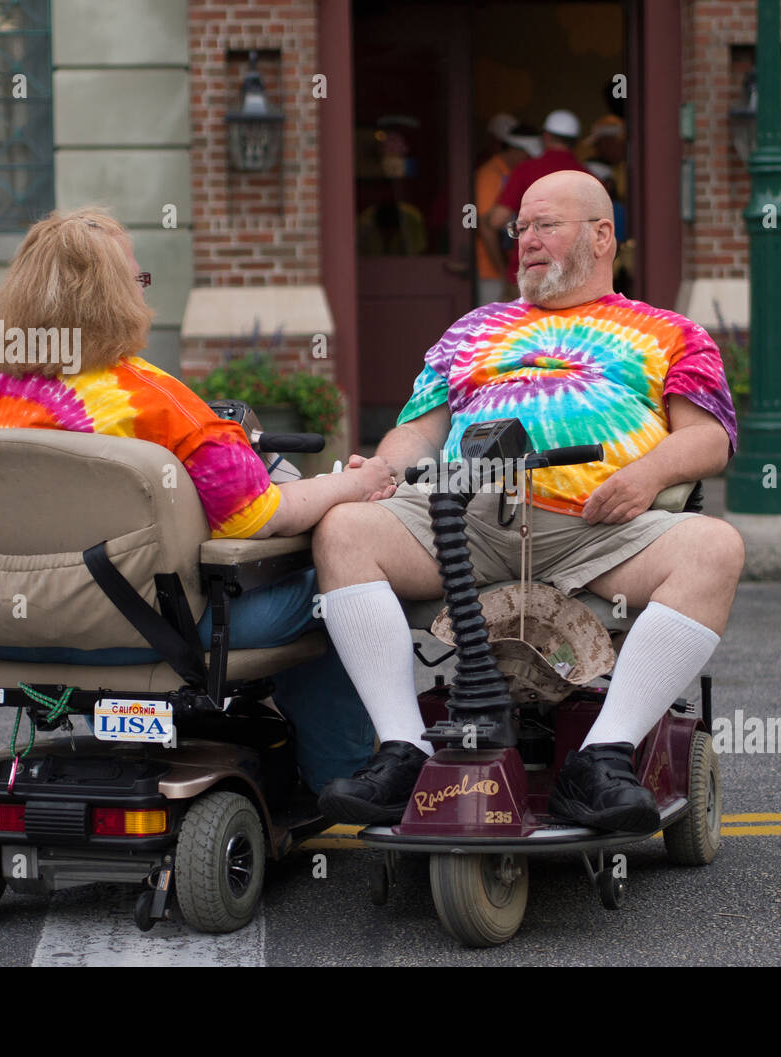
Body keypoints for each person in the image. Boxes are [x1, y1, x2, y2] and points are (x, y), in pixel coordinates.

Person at [312, 171, 743, 835]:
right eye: (521, 228)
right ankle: (405, 750)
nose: (527, 240)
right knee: (343, 529)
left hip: (597, 530)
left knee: (715, 547)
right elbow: (419, 429)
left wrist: (647, 475)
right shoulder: (472, 330)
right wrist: (382, 467)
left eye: (547, 225)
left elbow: (710, 438)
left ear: (602, 237)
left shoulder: (668, 332)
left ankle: (603, 757)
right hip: (467, 521)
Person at [0, 207, 395, 792]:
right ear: (117, 297)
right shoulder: (155, 400)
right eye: (137, 281)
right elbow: (256, 515)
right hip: (151, 631)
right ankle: (336, 782)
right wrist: (355, 484)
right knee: (332, 589)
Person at [480, 109, 596, 302]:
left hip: (529, 274)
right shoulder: (588, 177)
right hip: (574, 277)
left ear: (546, 136)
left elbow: (496, 220)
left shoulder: (526, 170)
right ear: (575, 141)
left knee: (520, 332)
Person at [474, 116, 537, 305]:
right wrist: (502, 272)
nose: (529, 161)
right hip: (491, 271)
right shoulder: (490, 175)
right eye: (528, 156)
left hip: (509, 269)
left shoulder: (510, 173)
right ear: (515, 150)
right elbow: (486, 227)